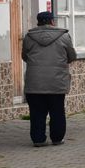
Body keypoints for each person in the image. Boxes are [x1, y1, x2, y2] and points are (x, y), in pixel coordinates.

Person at [22, 11, 77, 147]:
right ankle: (57, 138)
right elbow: (72, 56)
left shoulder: (29, 37)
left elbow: (25, 56)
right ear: (52, 21)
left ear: (38, 22)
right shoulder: (64, 36)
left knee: (36, 113)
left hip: (35, 83)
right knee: (57, 111)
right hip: (56, 82)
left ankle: (38, 140)